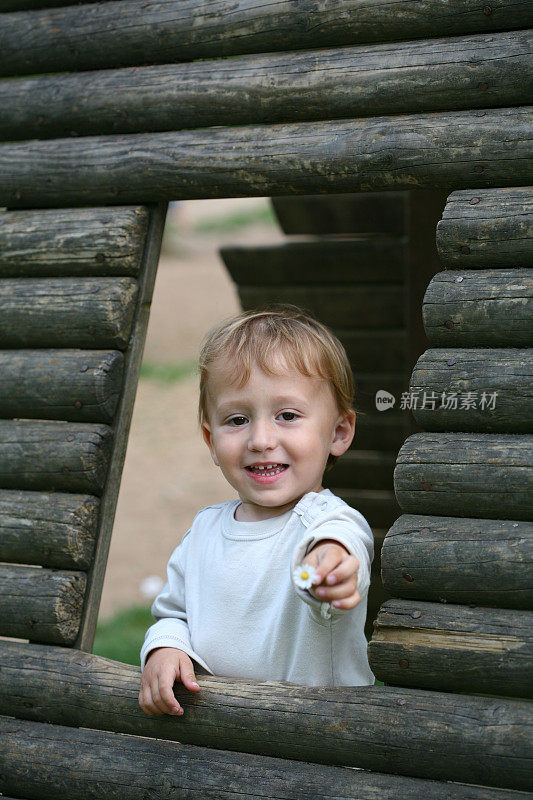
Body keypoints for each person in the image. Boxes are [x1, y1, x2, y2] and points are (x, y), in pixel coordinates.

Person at [138, 305, 375, 717]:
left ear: (338, 432)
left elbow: (338, 547)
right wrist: (165, 646)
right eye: (237, 419)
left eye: (287, 415)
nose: (261, 439)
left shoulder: (326, 522)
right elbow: (174, 613)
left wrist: (329, 569)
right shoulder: (205, 530)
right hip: (224, 742)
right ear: (211, 441)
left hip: (322, 746)